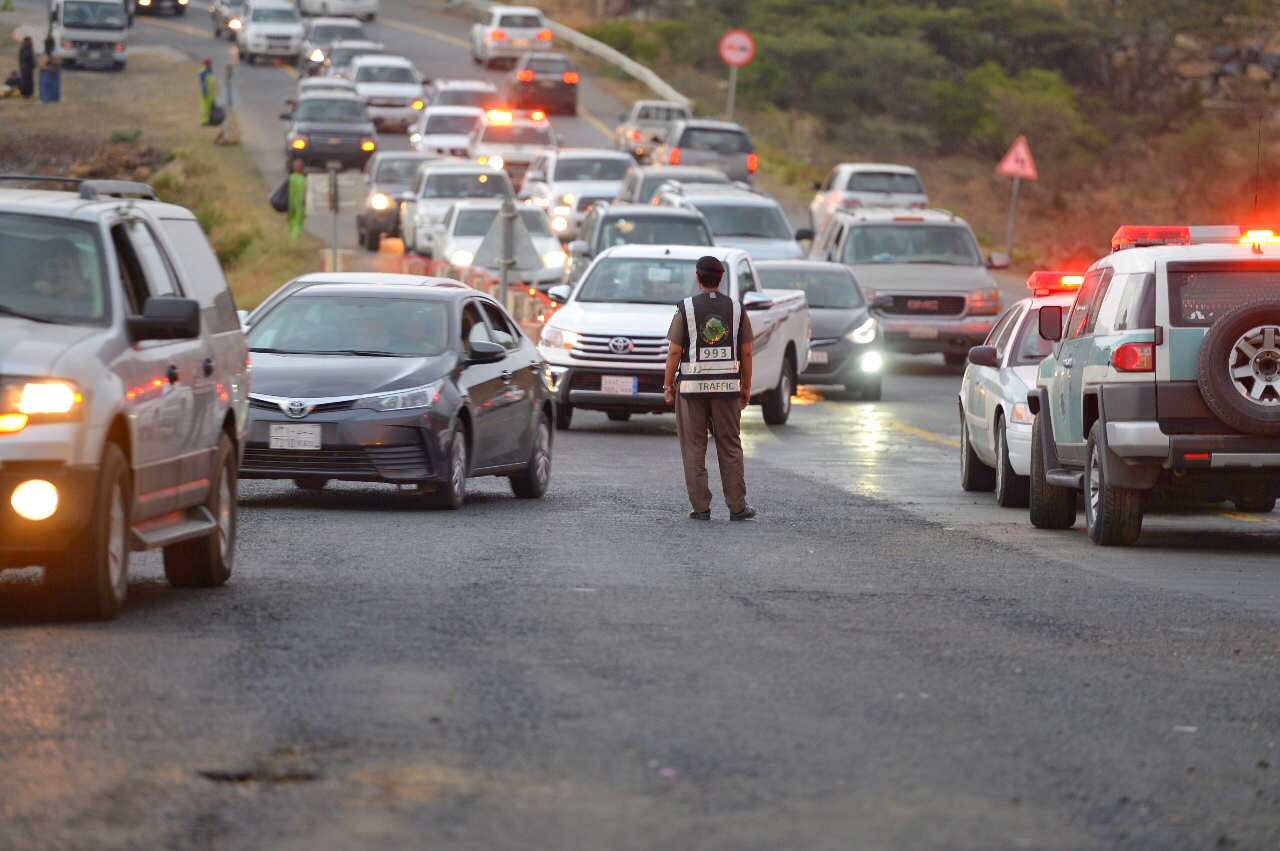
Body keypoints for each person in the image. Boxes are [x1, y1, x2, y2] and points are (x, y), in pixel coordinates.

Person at [663, 255, 757, 521]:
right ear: (721, 278)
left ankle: (701, 507)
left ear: (697, 277)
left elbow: (674, 352)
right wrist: (746, 387)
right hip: (728, 388)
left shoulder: (686, 308)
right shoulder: (737, 309)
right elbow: (747, 353)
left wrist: (668, 385)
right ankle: (737, 507)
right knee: (729, 444)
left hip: (691, 391)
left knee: (693, 447)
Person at [287, 158, 307, 241]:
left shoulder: (291, 178)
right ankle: (293, 240)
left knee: (293, 223)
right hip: (298, 206)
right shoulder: (303, 180)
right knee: (297, 224)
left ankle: (292, 239)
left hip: (292, 206)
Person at [197, 58, 218, 126]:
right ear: (207, 64)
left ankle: (208, 120)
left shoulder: (208, 70)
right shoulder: (203, 72)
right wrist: (205, 93)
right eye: (210, 64)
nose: (211, 65)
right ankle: (204, 121)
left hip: (210, 93)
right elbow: (203, 84)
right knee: (205, 108)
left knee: (209, 107)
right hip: (206, 93)